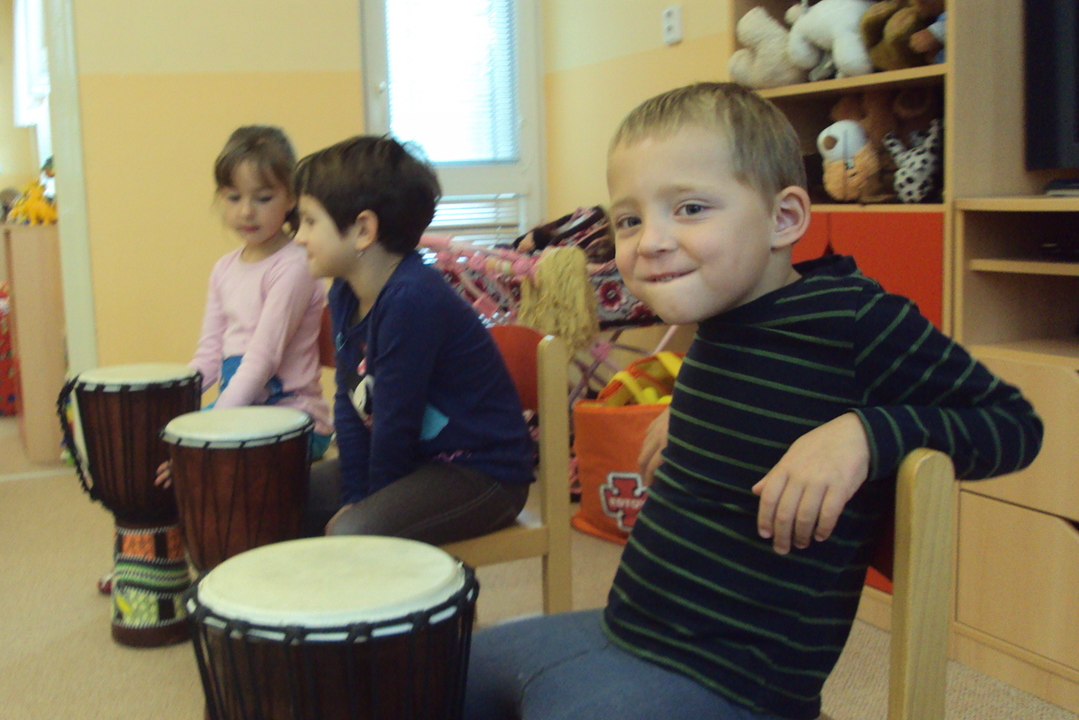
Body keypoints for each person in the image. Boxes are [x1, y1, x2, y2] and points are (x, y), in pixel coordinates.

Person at [463, 82, 1044, 720]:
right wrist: (690, 412)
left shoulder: (855, 319)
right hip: (632, 628)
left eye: (689, 208)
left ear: (783, 218)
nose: (649, 241)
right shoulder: (722, 312)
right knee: (447, 665)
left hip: (738, 685)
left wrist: (864, 435)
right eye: (629, 220)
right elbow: (766, 388)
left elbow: (1014, 426)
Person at [291, 135, 535, 544]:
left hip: (484, 474)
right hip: (415, 461)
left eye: (310, 222)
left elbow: (394, 425)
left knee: (356, 534)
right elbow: (351, 403)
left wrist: (366, 507)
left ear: (363, 230)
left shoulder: (411, 299)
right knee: (274, 499)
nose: (299, 236)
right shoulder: (344, 291)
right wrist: (355, 495)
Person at [153, 125, 332, 488]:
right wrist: (170, 401)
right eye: (234, 197)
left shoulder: (293, 266)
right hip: (244, 411)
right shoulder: (224, 269)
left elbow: (262, 359)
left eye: (263, 198)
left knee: (192, 456)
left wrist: (212, 426)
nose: (246, 212)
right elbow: (209, 355)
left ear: (291, 198)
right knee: (162, 442)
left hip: (296, 421)